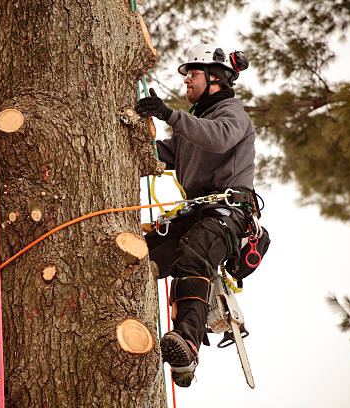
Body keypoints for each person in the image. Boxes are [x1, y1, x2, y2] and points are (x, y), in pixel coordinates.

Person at [135, 44, 257, 387]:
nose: (187, 80)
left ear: (215, 78)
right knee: (140, 257)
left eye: (193, 74)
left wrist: (169, 115)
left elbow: (218, 140)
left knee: (194, 256)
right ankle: (171, 353)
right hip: (195, 213)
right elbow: (165, 153)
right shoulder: (197, 122)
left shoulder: (232, 114)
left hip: (226, 213)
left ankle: (187, 343)